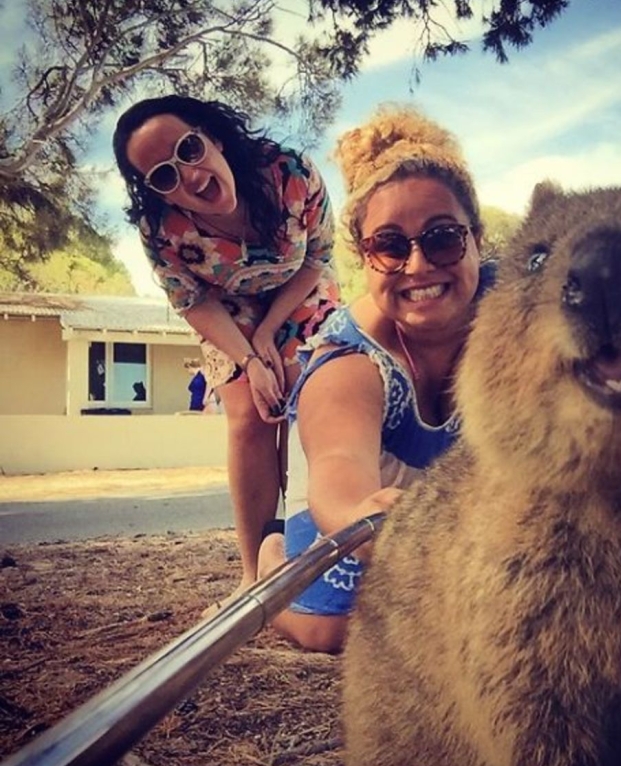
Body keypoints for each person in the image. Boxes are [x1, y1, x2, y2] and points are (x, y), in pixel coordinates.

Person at [256, 104, 496, 653]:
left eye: (441, 238)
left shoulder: (517, 310)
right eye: (389, 245)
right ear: (364, 258)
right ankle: (271, 561)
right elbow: (340, 467)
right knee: (333, 631)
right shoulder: (348, 361)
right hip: (371, 501)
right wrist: (358, 516)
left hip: (461, 498)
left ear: (477, 239)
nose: (417, 265)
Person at [113, 95, 340, 615]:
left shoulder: (289, 172)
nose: (189, 176)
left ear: (213, 136)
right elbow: (192, 300)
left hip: (296, 292)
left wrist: (272, 336)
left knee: (306, 392)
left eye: (189, 149)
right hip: (225, 310)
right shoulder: (160, 231)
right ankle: (253, 576)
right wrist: (251, 358)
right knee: (248, 412)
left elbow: (320, 258)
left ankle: (311, 560)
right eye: (164, 176)